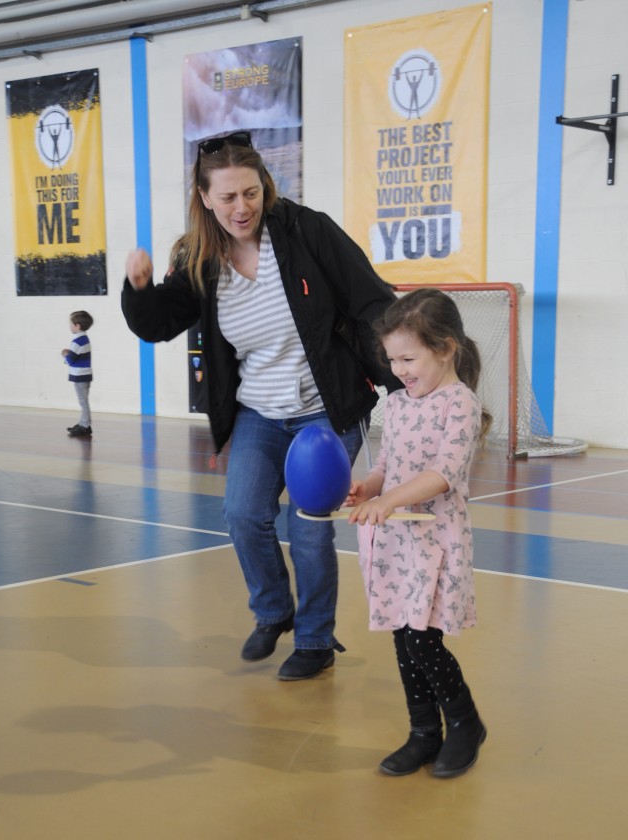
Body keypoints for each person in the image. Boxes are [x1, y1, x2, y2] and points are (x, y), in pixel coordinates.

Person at [121, 130, 399, 681]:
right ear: (204, 198)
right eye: (227, 197)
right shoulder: (199, 258)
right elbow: (158, 324)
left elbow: (371, 300)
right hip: (259, 412)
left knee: (311, 525)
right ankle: (274, 611)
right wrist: (139, 288)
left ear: (264, 187)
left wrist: (403, 379)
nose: (241, 207)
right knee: (243, 514)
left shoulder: (306, 231)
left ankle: (316, 641)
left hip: (326, 409)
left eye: (250, 193)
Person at [344, 288, 491, 778]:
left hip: (435, 539)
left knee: (424, 641)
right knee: (403, 640)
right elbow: (388, 462)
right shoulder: (400, 404)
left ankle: (465, 723)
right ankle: (424, 733)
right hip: (396, 542)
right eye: (393, 360)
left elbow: (445, 472)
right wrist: (369, 486)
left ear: (445, 348)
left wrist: (389, 500)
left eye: (409, 358)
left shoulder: (460, 403)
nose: (400, 369)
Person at [62, 310, 94, 438]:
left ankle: (85, 425)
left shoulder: (77, 341)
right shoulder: (84, 339)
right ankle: (83, 423)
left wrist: (65, 354)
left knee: (83, 401)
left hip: (80, 375)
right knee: (83, 400)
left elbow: (70, 359)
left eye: (71, 324)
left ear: (77, 326)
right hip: (85, 374)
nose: (70, 326)